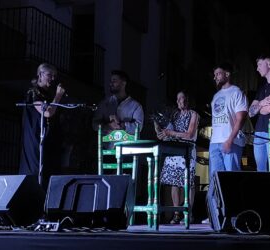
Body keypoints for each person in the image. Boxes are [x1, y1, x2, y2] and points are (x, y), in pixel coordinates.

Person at [154, 91, 199, 224]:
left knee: (188, 182)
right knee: (175, 182)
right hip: (174, 149)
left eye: (184, 98)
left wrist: (171, 132)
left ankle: (188, 213)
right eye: (178, 99)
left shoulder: (194, 114)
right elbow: (166, 133)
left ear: (188, 100)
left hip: (188, 149)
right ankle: (176, 213)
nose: (181, 101)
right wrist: (159, 129)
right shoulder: (174, 115)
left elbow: (189, 134)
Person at [19, 63, 66, 189]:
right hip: (36, 139)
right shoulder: (33, 92)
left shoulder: (48, 94)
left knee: (50, 172)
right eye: (49, 75)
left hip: (49, 139)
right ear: (40, 75)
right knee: (36, 170)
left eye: (54, 76)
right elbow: (47, 112)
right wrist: (58, 96)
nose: (52, 79)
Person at [209, 63, 249, 177]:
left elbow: (240, 119)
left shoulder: (237, 92)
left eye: (218, 74)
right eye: (214, 74)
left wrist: (229, 140)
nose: (215, 77)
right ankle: (216, 196)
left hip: (231, 141)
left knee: (231, 178)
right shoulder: (216, 96)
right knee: (215, 178)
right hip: (214, 142)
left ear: (227, 74)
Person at [92, 70, 144, 146]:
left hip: (127, 150)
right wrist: (107, 126)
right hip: (107, 149)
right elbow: (95, 124)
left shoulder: (136, 106)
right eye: (110, 81)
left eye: (114, 81)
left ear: (123, 83)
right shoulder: (104, 103)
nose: (111, 84)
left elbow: (139, 127)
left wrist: (122, 125)